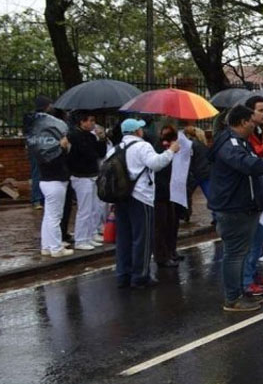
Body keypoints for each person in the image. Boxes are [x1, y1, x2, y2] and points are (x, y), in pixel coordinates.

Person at [208, 105, 263, 311]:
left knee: (240, 253)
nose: (255, 126)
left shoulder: (238, 142)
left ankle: (239, 292)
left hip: (243, 206)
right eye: (252, 122)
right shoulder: (230, 144)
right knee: (234, 254)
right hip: (233, 208)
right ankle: (233, 298)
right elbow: (244, 164)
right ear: (243, 122)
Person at [114, 119, 178, 288]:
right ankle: (140, 276)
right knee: (142, 238)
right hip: (141, 197)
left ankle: (123, 274)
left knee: (123, 238)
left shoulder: (115, 148)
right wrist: (171, 151)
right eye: (140, 128)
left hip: (121, 197)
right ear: (137, 131)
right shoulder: (143, 146)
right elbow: (156, 164)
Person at [243, 95, 263, 296]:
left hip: (262, 194)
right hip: (250, 196)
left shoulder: (260, 131)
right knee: (251, 242)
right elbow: (251, 157)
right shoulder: (244, 136)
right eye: (261, 110)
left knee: (259, 239)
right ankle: (246, 280)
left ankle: (254, 275)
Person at [31, 106, 73, 257]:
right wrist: (62, 147)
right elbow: (57, 159)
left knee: (49, 215)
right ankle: (56, 248)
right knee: (55, 216)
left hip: (46, 180)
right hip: (55, 180)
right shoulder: (52, 144)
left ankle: (47, 246)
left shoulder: (39, 140)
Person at [66, 112, 107, 251]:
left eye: (93, 120)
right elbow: (88, 154)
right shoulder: (74, 136)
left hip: (92, 174)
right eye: (90, 121)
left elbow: (100, 153)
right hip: (80, 176)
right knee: (84, 209)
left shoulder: (90, 136)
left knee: (93, 208)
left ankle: (89, 235)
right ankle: (81, 239)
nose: (92, 124)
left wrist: (101, 139)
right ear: (82, 122)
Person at [152, 125, 183, 270]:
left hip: (173, 191)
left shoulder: (175, 147)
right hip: (160, 192)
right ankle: (162, 256)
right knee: (161, 225)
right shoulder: (157, 148)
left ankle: (171, 251)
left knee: (172, 223)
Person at [24, 95, 52, 209]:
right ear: (45, 106)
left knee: (40, 173)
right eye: (49, 105)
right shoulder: (41, 118)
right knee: (38, 173)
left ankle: (39, 199)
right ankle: (37, 199)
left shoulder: (31, 117)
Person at [183, 126, 211, 224]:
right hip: (206, 172)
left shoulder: (191, 145)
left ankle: (185, 215)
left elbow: (189, 160)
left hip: (195, 173)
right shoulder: (203, 144)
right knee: (210, 196)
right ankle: (216, 217)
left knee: (187, 194)